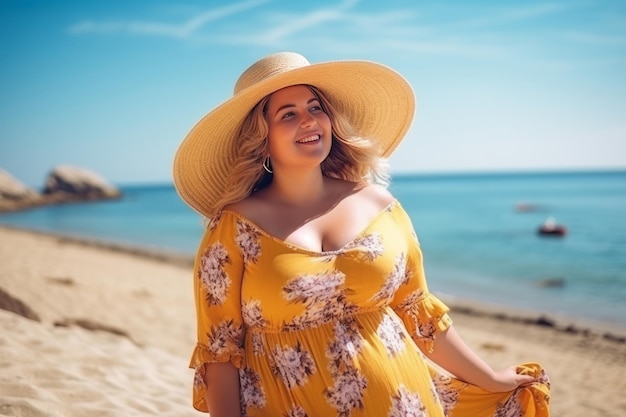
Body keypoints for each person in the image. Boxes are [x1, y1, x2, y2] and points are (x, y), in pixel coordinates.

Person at [173, 52, 550, 417]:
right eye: (288, 114)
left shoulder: (379, 206)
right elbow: (220, 352)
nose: (308, 121)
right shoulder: (234, 228)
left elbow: (417, 311)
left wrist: (488, 377)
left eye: (315, 107)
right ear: (262, 137)